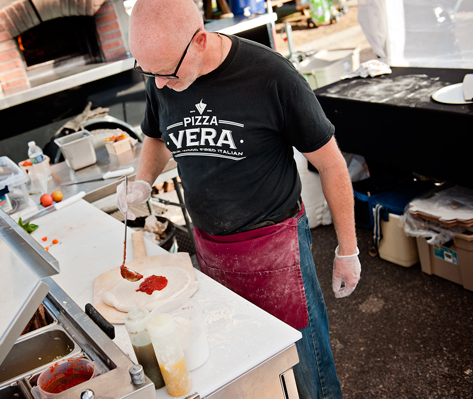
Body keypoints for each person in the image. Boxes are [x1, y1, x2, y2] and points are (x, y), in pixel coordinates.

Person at [117, 0, 362, 397]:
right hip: (210, 249)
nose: (159, 84)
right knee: (245, 364)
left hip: (275, 250)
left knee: (305, 369)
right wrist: (143, 180)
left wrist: (347, 249)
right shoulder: (163, 72)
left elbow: (332, 164)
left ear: (199, 41)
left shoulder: (270, 76)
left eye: (165, 74)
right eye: (148, 72)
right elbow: (157, 135)